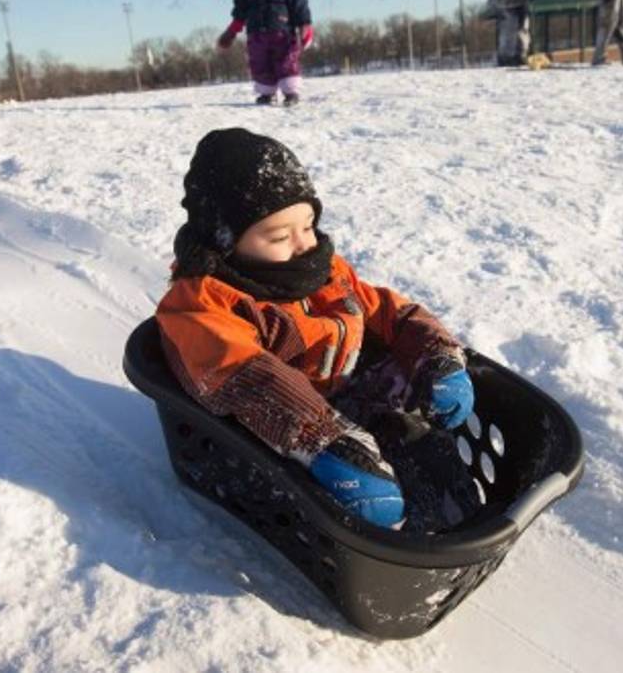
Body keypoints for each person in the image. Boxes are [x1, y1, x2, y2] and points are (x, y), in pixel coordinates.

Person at [155, 128, 476, 530]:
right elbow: (250, 378)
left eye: (307, 225)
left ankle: (447, 525)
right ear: (225, 241)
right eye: (279, 236)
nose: (304, 245)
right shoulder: (202, 305)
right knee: (328, 496)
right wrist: (325, 443)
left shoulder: (323, 272)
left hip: (345, 401)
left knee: (424, 451)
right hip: (274, 433)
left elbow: (386, 310)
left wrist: (436, 354)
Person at [216, 0, 313, 106]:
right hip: (256, 37)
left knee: (286, 62)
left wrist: (305, 27)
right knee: (260, 64)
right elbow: (239, 17)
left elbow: (300, 10)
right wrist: (229, 34)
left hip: (283, 35)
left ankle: (290, 92)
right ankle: (267, 93)